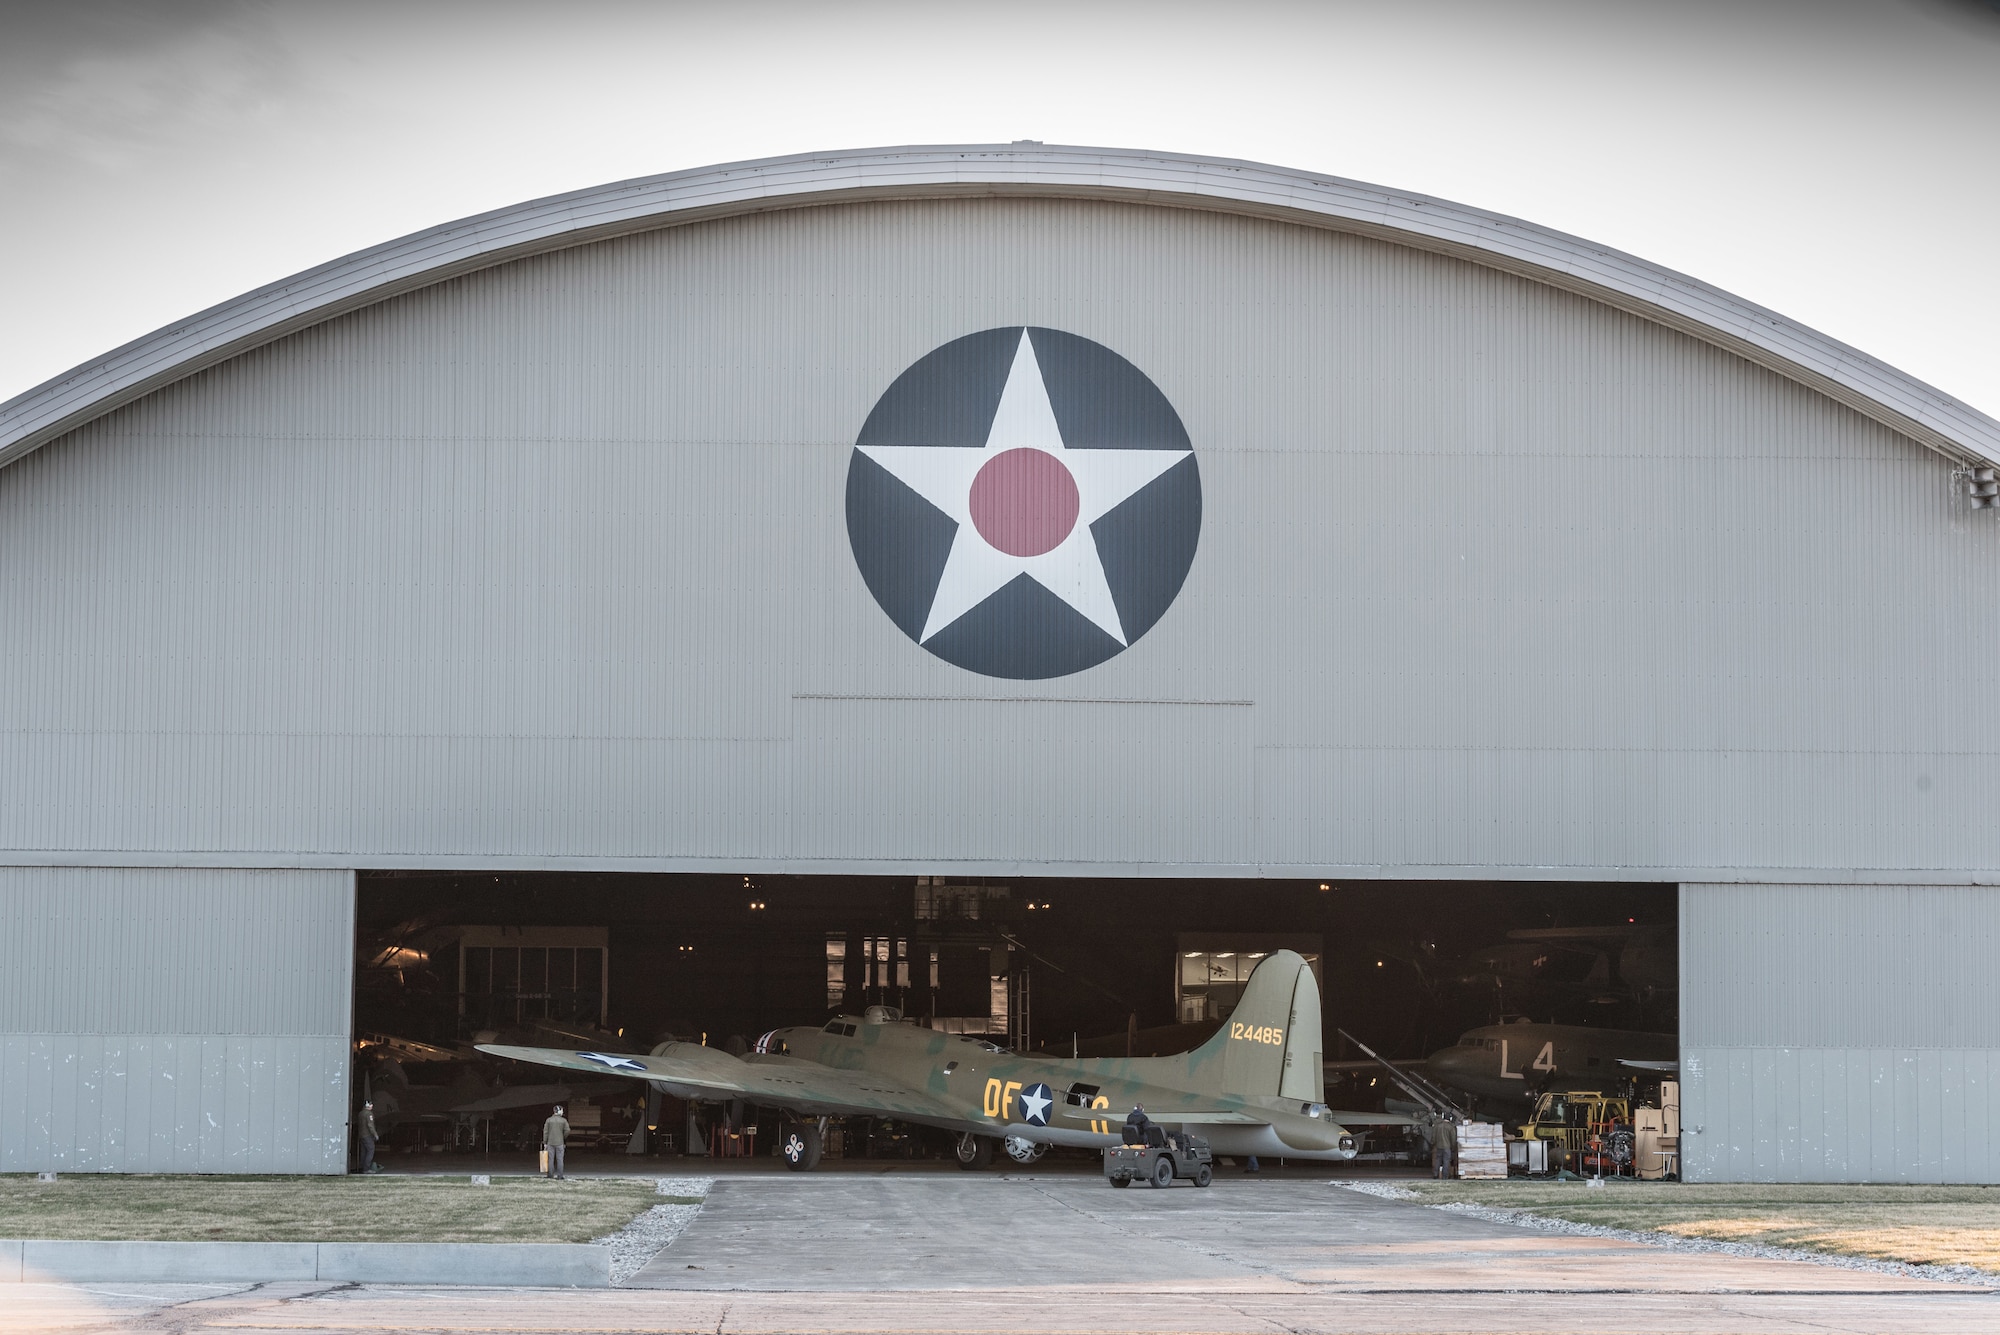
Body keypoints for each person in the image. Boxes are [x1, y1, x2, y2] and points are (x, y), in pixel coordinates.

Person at [543, 1104, 571, 1179]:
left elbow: (545, 1132)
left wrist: (545, 1142)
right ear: (559, 1111)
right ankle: (560, 1176)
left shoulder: (549, 1120)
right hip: (560, 1142)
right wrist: (563, 1137)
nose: (562, 1112)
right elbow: (567, 1130)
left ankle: (550, 1175)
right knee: (560, 1159)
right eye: (562, 1110)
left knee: (550, 1160)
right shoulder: (563, 1120)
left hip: (550, 1142)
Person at [358, 1101, 379, 1175]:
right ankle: (366, 1169)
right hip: (367, 1135)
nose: (372, 1105)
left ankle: (362, 1167)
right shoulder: (369, 1114)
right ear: (368, 1106)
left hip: (361, 1135)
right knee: (371, 1150)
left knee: (363, 1152)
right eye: (370, 1104)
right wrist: (375, 1134)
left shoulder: (361, 1113)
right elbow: (370, 1125)